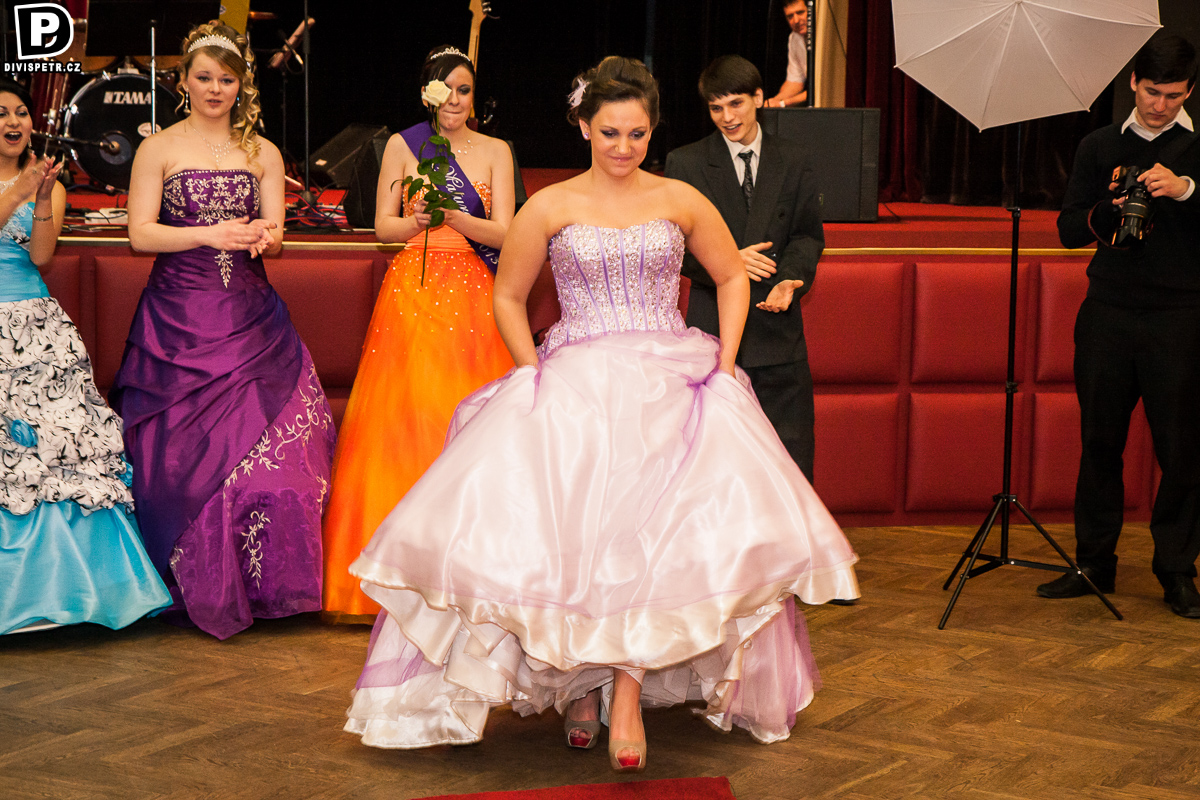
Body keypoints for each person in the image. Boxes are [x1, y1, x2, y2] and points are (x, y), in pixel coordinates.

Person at [342, 56, 858, 772]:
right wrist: (529, 370)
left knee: (648, 544)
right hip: (576, 377)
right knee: (573, 544)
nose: (624, 146)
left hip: (669, 377)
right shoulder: (551, 205)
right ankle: (578, 687)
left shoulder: (679, 197)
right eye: (610, 132)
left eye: (637, 134)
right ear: (584, 127)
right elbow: (507, 296)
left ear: (653, 132)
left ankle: (626, 694)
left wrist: (725, 363)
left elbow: (731, 276)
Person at [109, 22, 336, 640]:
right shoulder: (158, 149)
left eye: (226, 79)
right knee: (178, 461)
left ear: (242, 85)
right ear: (184, 81)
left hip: (252, 319)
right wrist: (210, 234)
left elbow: (276, 236)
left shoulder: (264, 152)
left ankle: (268, 585)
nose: (215, 89)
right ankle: (194, 583)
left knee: (280, 459)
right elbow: (139, 235)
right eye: (204, 77)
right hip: (178, 322)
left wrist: (264, 234)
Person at [321, 45, 515, 622]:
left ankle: (473, 574)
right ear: (426, 93)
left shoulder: (497, 151)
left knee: (469, 418)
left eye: (464, 90)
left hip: (476, 292)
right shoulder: (404, 146)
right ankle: (398, 574)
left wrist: (457, 219)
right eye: (445, 89)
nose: (454, 100)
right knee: (407, 422)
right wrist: (417, 221)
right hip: (415, 289)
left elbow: (507, 232)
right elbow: (382, 227)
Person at [1038, 33, 1200, 619]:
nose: (1160, 105)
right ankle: (1093, 563)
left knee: (1182, 449)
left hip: (1180, 317)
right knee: (1100, 442)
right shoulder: (1098, 145)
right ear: (1133, 82)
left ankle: (1177, 572)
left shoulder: (1197, 149)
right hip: (1107, 313)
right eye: (1152, 91)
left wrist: (1185, 189)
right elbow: (1067, 230)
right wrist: (1108, 209)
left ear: (1190, 91)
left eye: (1173, 95)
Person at [0, 79, 170, 634]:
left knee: (63, 441)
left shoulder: (45, 182)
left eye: (21, 112)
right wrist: (18, 190)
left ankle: (79, 589)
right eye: (1, 113)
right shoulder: (21, 180)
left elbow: (41, 257)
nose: (14, 122)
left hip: (36, 324)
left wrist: (41, 198)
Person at [665, 55, 823, 482]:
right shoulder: (686, 163)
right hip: (712, 331)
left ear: (759, 98)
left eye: (736, 104)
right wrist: (728, 262)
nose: (727, 117)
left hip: (778, 331)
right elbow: (673, 248)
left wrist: (790, 280)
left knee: (789, 458)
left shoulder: (794, 159)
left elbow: (806, 236)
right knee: (714, 465)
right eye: (716, 108)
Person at [767, 0, 808, 109]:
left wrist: (783, 103)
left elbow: (821, 89)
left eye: (800, 13)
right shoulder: (794, 38)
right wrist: (772, 102)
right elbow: (795, 82)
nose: (796, 20)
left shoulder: (824, 39)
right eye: (790, 16)